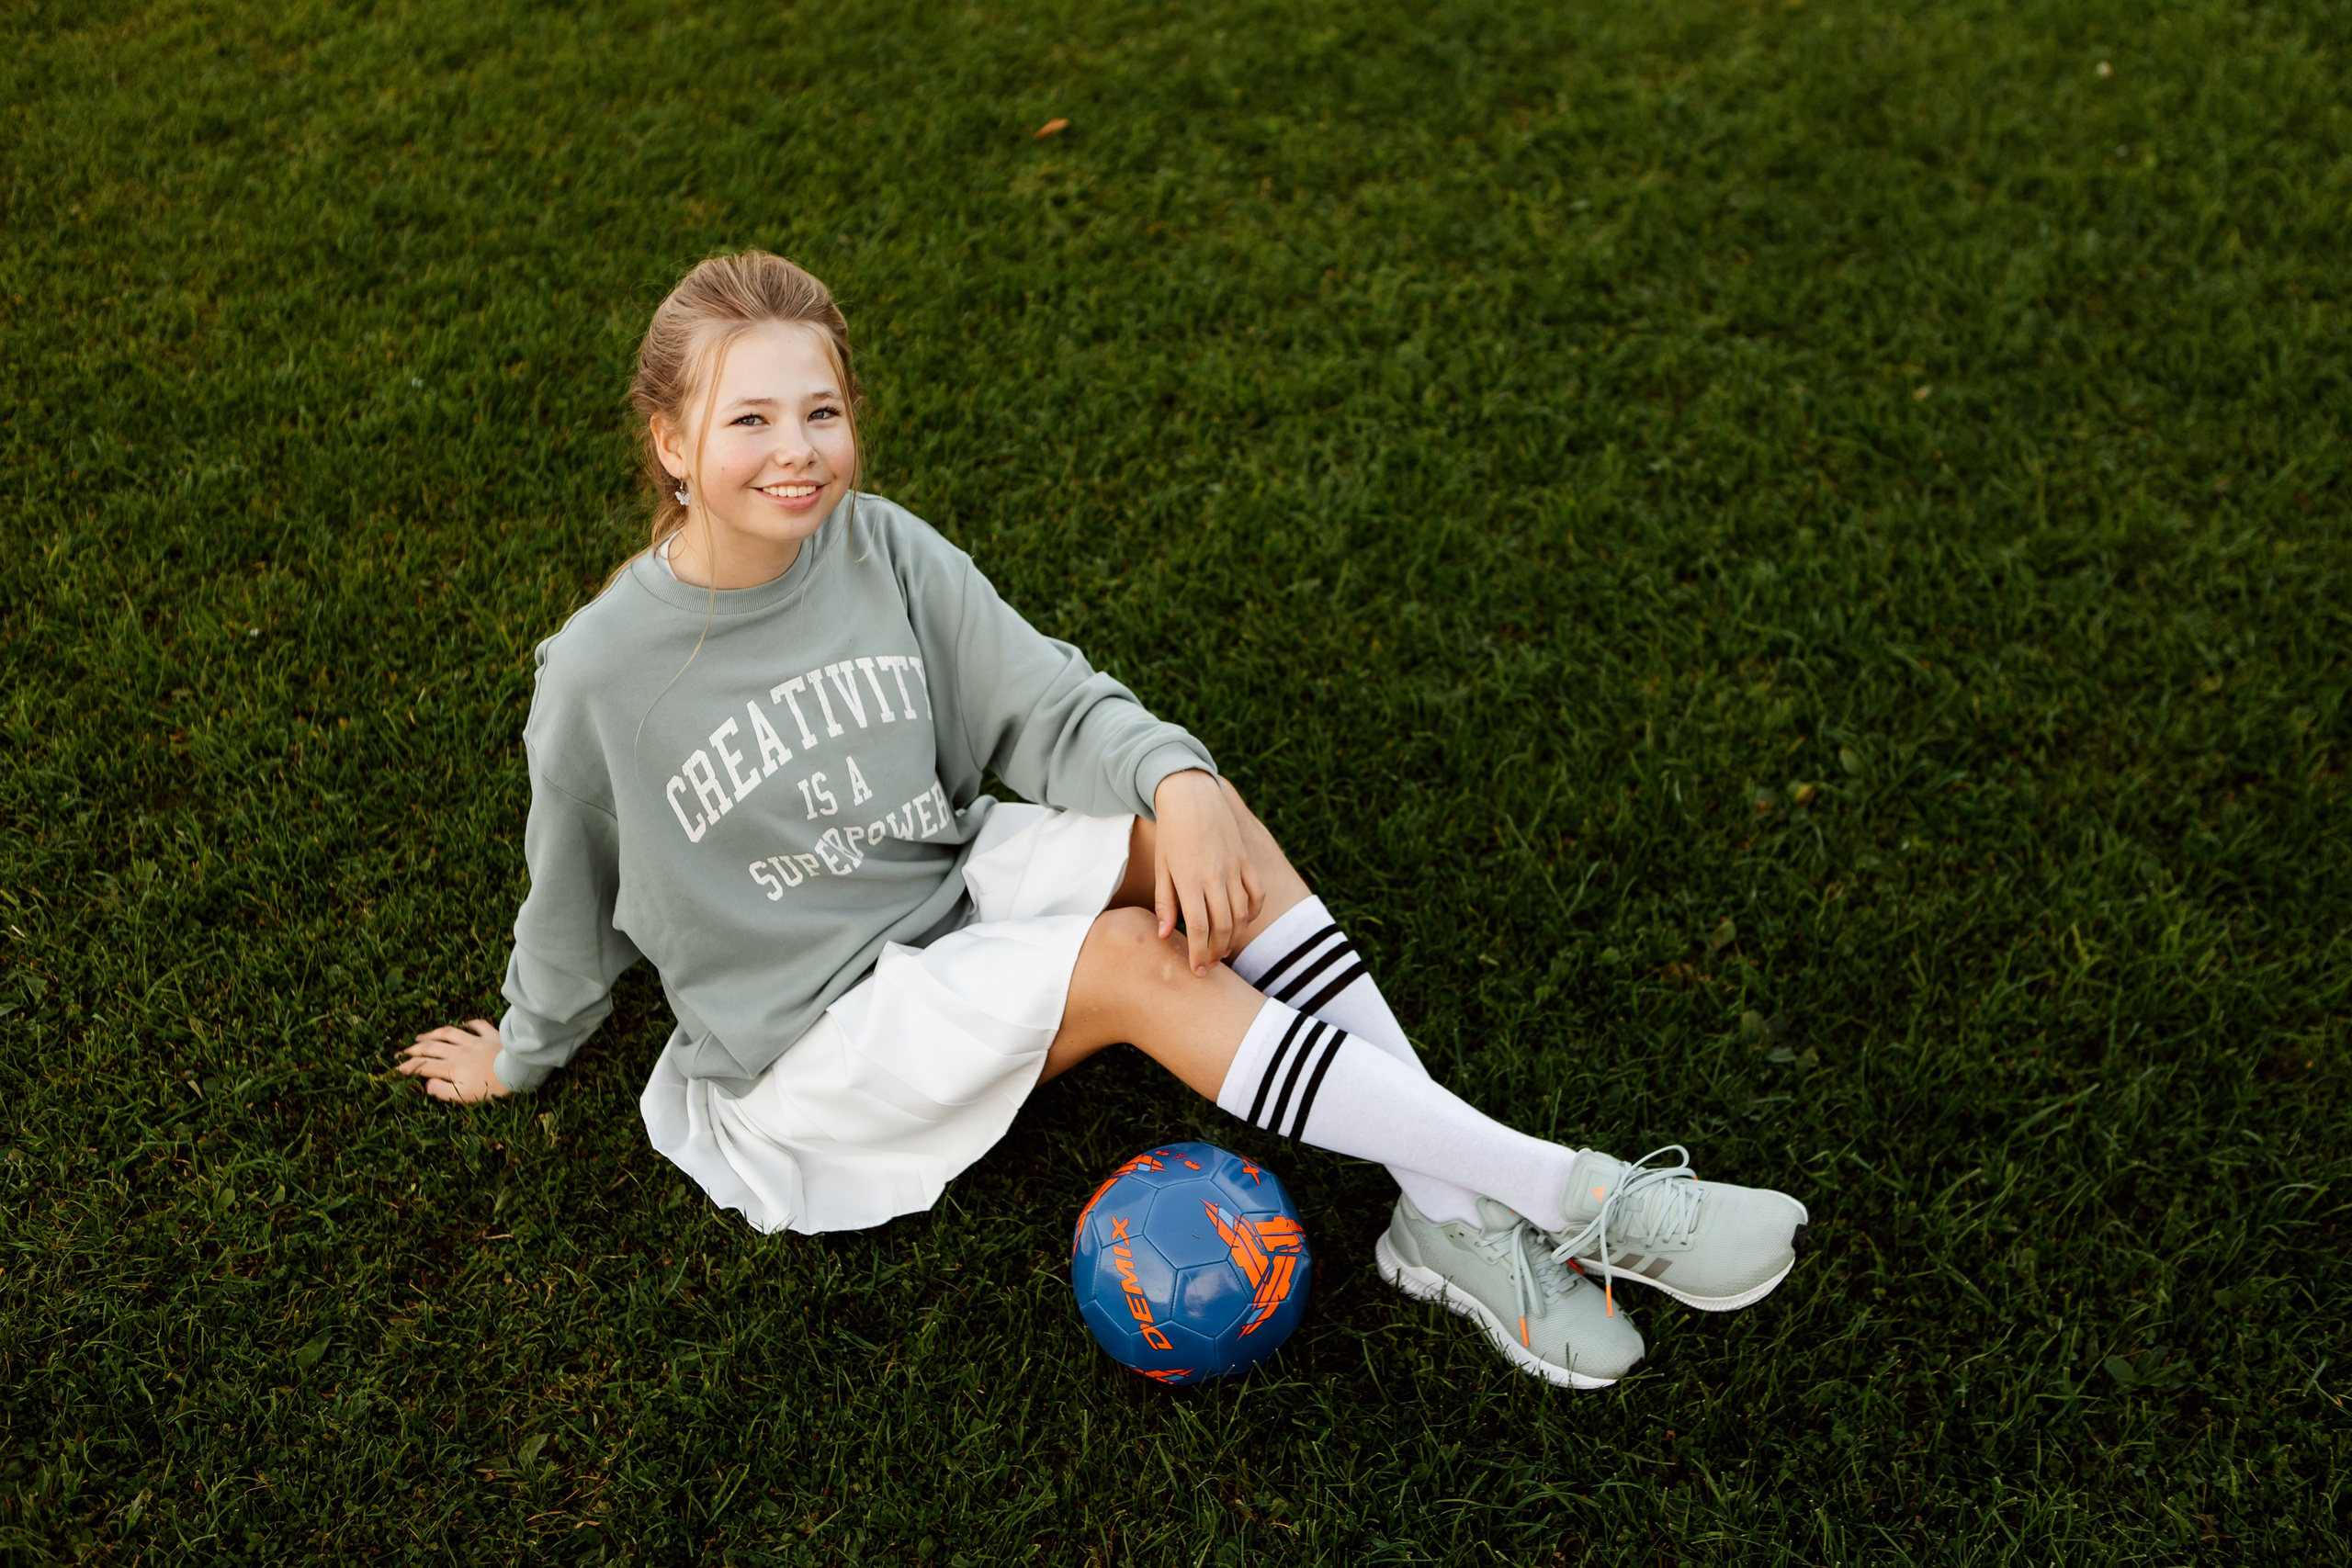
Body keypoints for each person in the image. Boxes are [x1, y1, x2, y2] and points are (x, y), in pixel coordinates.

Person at [397, 251, 1808, 1389]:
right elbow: (568, 892)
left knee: (1207, 832)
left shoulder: (878, 544)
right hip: (815, 1040)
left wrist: (1180, 784)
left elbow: (1049, 705)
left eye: (820, 411)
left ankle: (1448, 1220)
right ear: (670, 441)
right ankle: (1578, 1194)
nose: (798, 453)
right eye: (749, 418)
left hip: (944, 887)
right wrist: (524, 1051)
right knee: (1142, 958)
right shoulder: (598, 673)